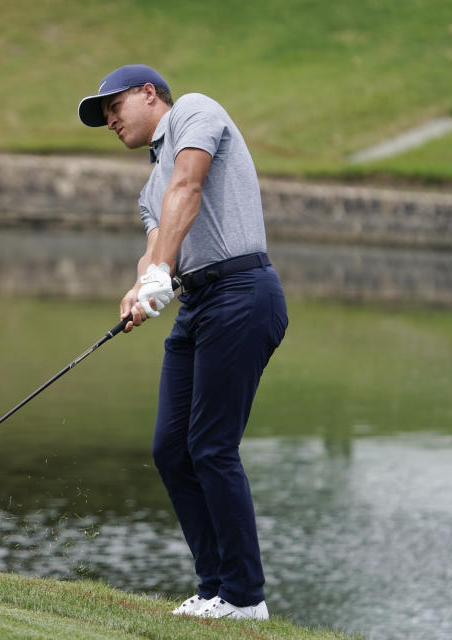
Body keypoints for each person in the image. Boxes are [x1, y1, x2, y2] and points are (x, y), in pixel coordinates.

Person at [77, 65, 288, 620]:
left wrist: (160, 270)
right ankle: (215, 587)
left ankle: (245, 598)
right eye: (103, 118)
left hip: (243, 292)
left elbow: (189, 186)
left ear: (149, 94)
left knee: (212, 448)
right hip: (197, 304)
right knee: (172, 448)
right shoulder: (149, 185)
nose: (110, 120)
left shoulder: (196, 109)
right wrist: (142, 285)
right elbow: (157, 239)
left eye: (114, 106)